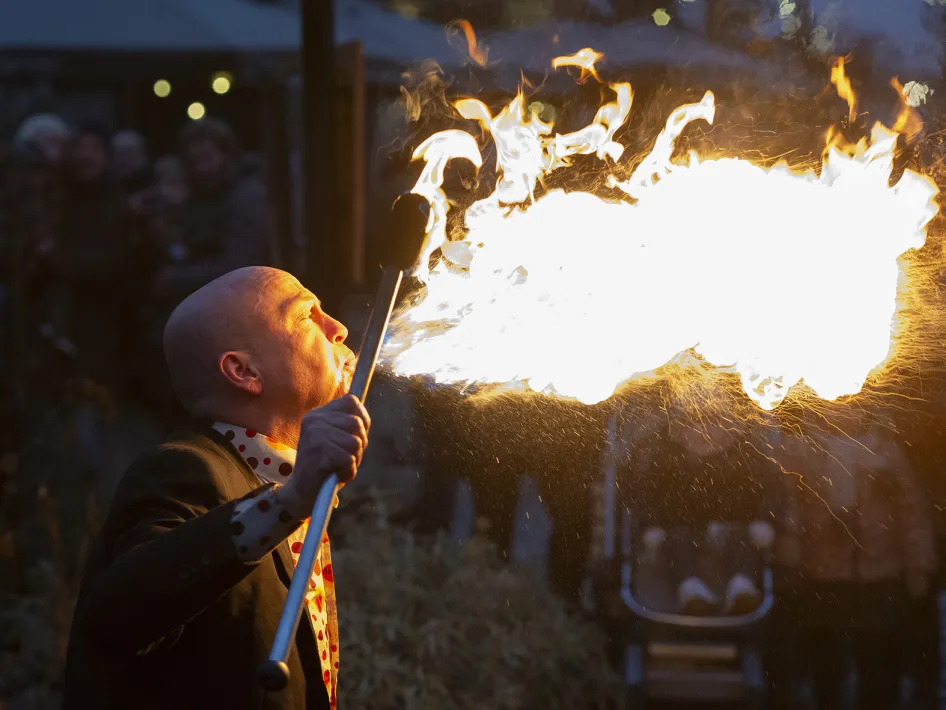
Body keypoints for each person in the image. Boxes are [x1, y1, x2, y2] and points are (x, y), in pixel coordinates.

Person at [64, 266, 370, 710]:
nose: (338, 327)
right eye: (307, 315)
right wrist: (287, 502)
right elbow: (119, 615)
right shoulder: (184, 468)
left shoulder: (275, 479)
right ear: (243, 371)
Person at [775, 412, 936, 710]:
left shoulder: (885, 449)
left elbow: (911, 509)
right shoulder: (802, 448)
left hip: (879, 572)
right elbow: (787, 506)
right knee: (826, 661)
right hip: (822, 572)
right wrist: (791, 553)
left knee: (879, 662)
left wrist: (918, 563)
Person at [624, 386, 780, 615]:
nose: (703, 431)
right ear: (679, 430)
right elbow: (646, 494)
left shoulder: (745, 457)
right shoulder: (665, 459)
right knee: (677, 541)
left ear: (731, 429)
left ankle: (741, 586)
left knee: (742, 540)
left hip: (733, 528)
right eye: (693, 423)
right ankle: (691, 590)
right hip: (680, 529)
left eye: (714, 423)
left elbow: (770, 489)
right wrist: (650, 525)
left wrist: (765, 521)